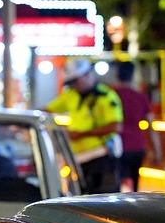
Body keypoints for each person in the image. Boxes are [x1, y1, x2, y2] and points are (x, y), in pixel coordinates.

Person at [45, 58, 123, 194]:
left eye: (76, 81)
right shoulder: (71, 95)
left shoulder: (106, 97)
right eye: (71, 83)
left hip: (100, 158)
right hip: (77, 159)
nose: (74, 86)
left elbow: (115, 126)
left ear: (88, 74)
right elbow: (48, 110)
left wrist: (80, 134)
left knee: (101, 201)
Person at [111, 61, 163, 192]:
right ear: (133, 76)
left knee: (115, 183)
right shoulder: (140, 97)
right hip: (137, 146)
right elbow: (151, 128)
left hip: (114, 146)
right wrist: (158, 152)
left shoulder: (110, 95)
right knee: (134, 184)